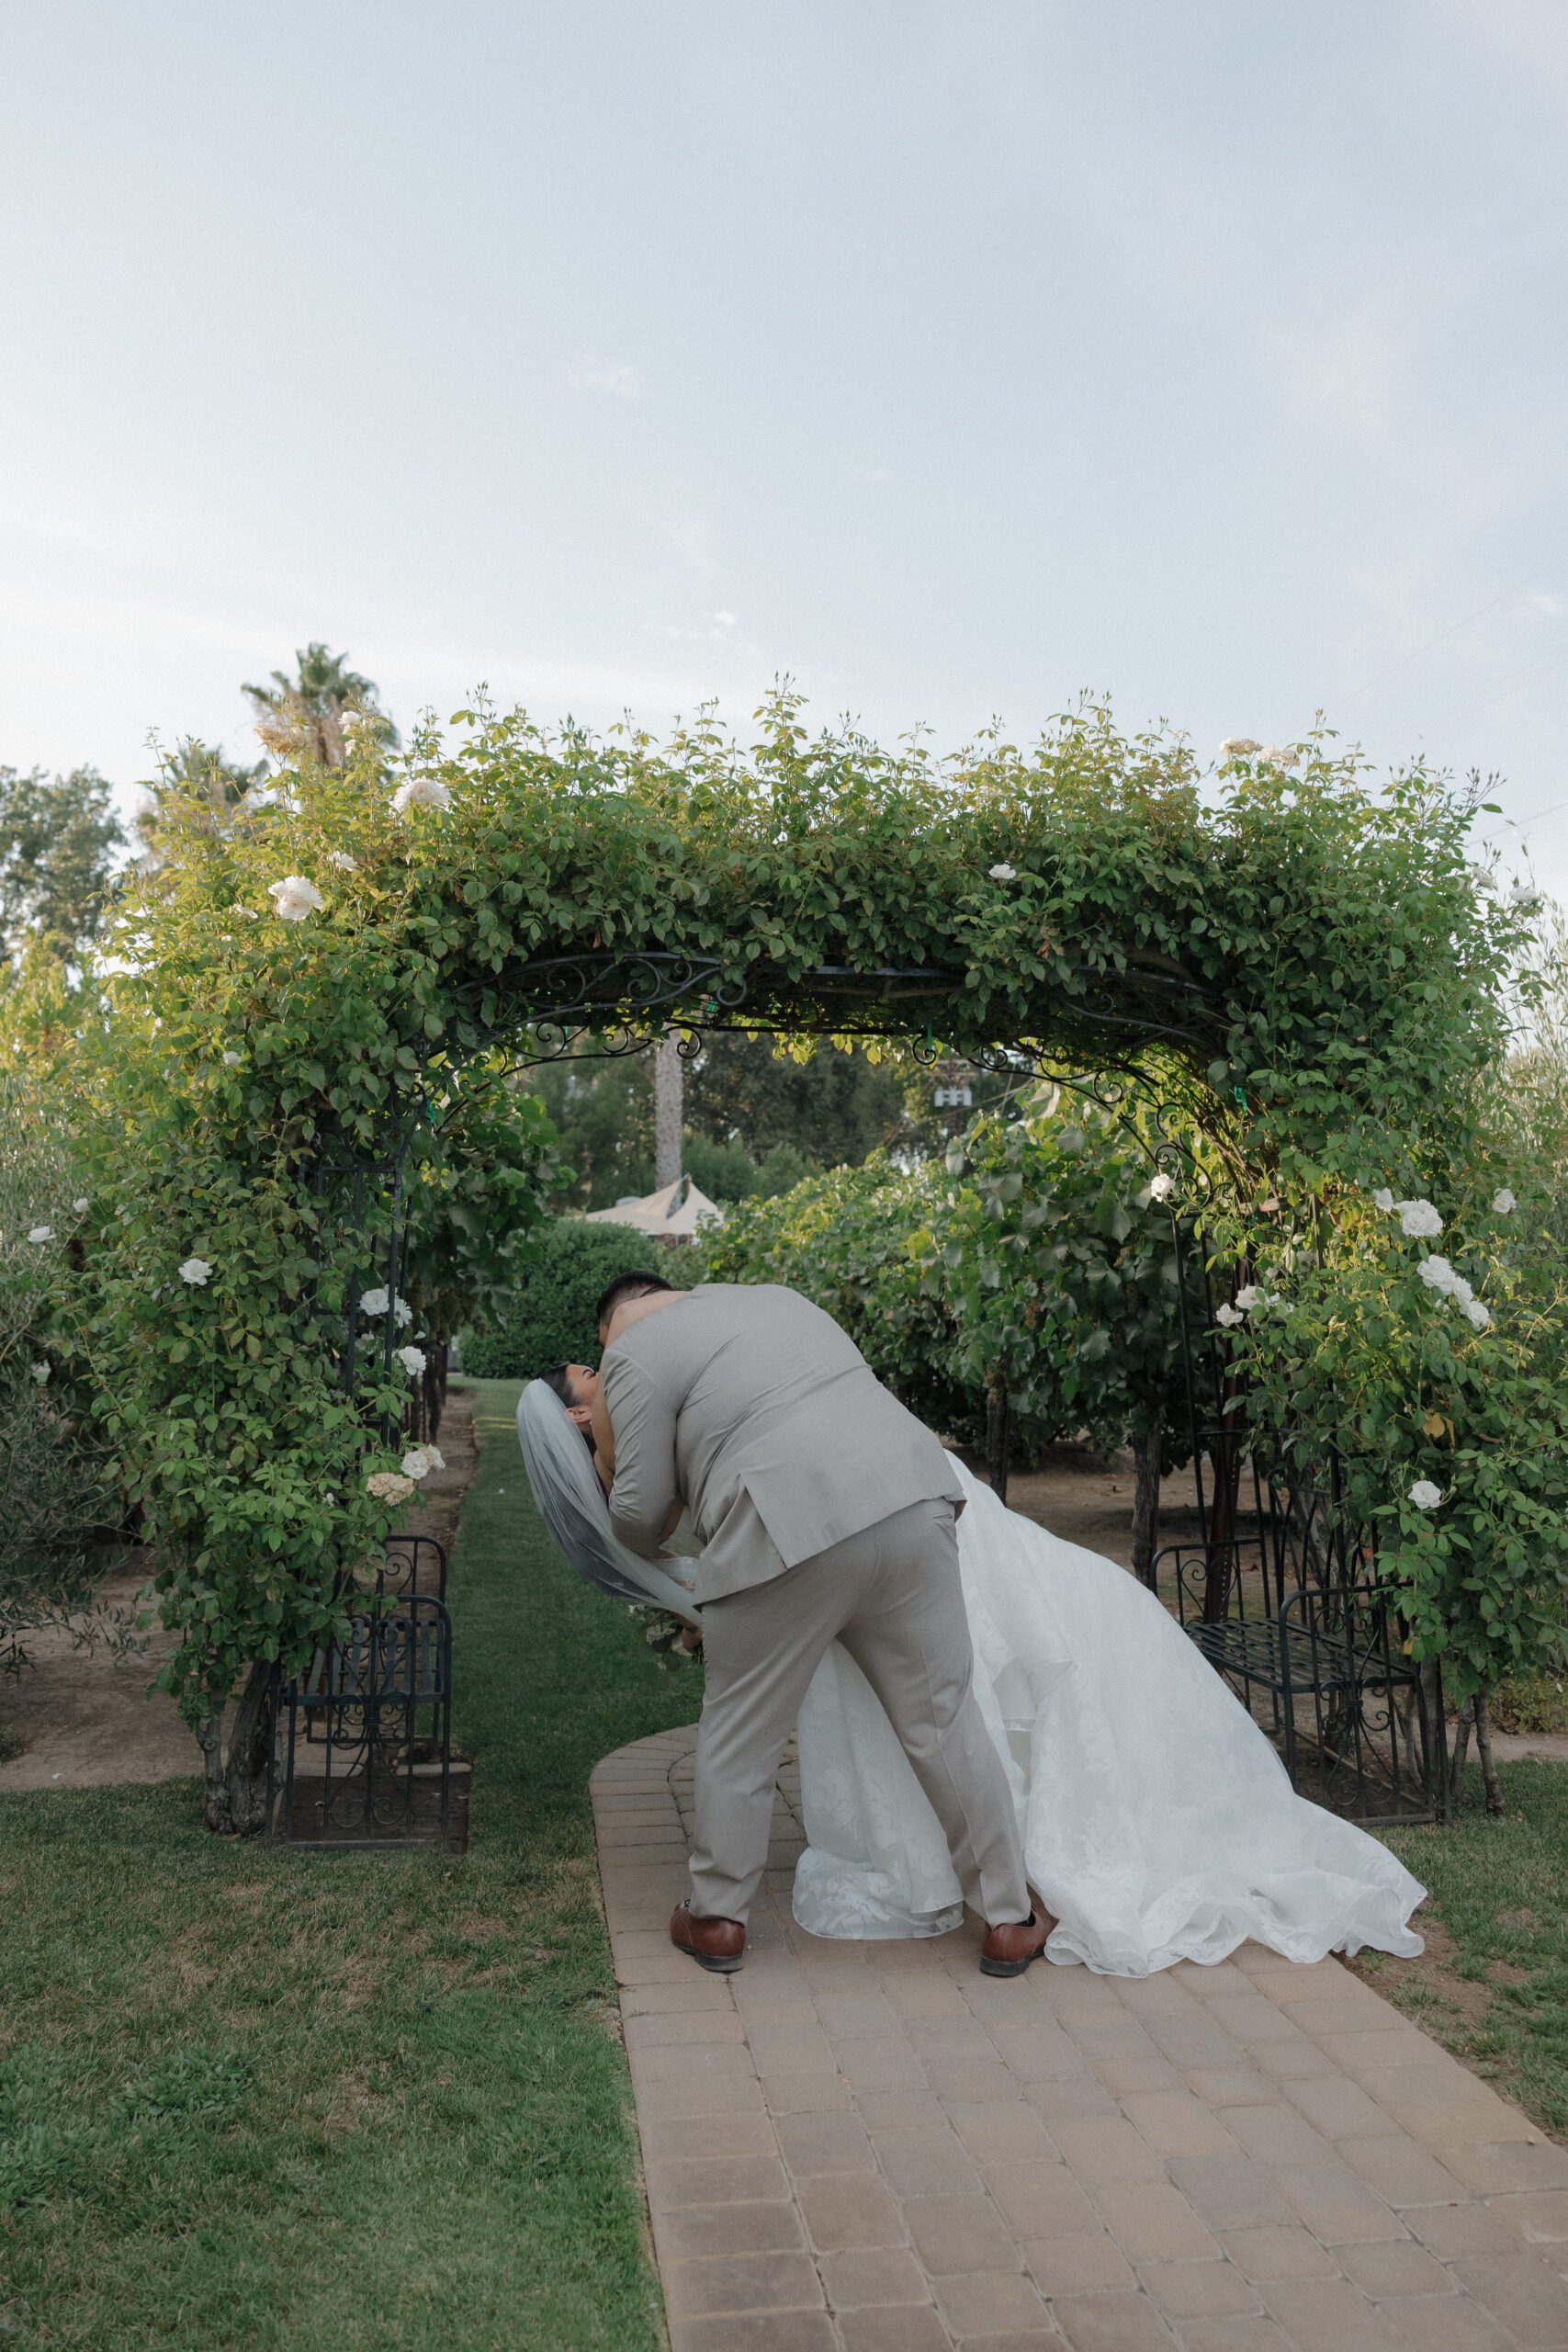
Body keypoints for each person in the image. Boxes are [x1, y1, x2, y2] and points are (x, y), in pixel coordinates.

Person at [517, 1278, 1427, 1980]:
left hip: (782, 1528)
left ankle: (717, 1915)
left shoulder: (635, 1356)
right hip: (916, 1504)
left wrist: (616, 1466)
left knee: (740, 1736)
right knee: (943, 1719)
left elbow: (638, 1516)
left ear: (620, 1321)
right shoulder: (777, 1300)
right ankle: (1004, 1916)